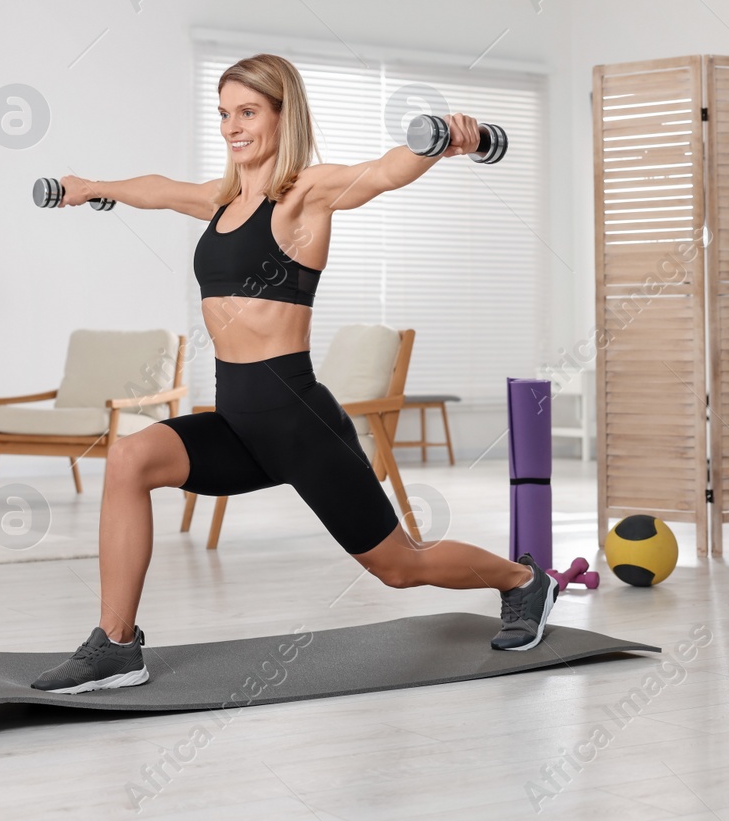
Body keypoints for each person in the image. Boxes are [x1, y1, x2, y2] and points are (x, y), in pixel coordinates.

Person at [30, 54, 557, 694]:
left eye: (248, 112)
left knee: (398, 567)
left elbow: (381, 174)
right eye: (224, 113)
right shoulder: (221, 201)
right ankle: (116, 646)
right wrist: (94, 188)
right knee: (129, 459)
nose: (232, 127)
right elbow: (159, 188)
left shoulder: (303, 196)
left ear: (284, 117)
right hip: (238, 423)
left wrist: (444, 141)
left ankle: (524, 582)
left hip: (299, 423)